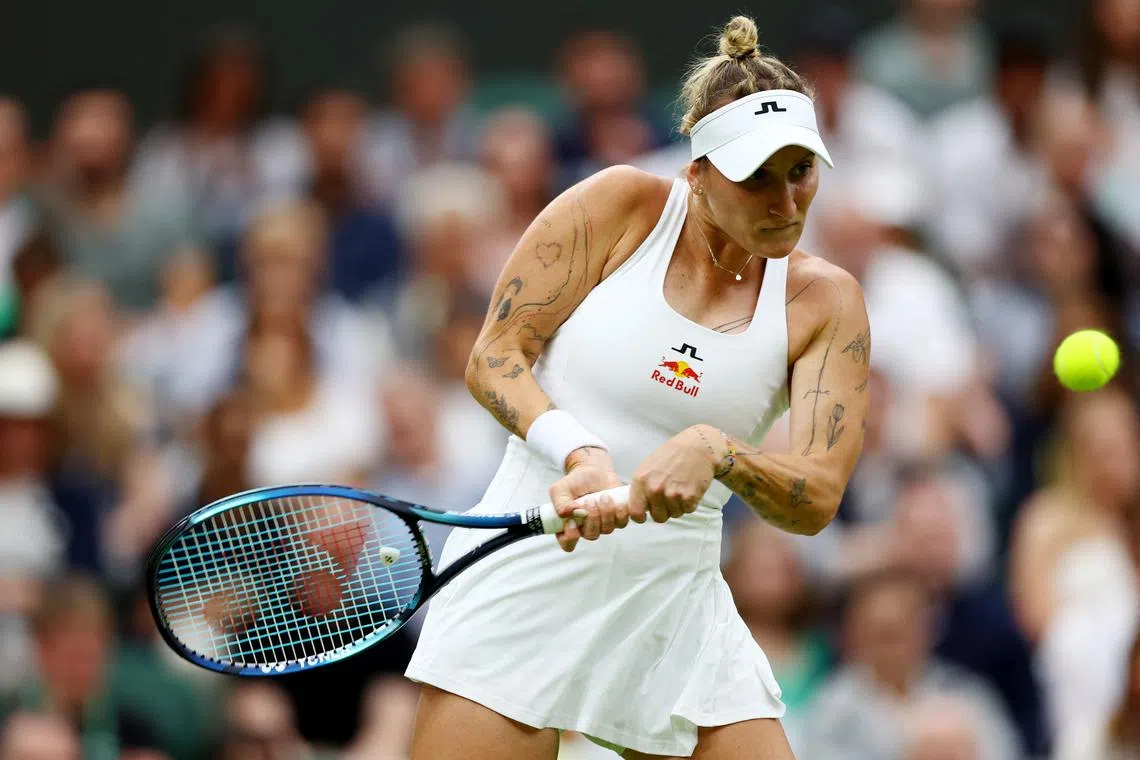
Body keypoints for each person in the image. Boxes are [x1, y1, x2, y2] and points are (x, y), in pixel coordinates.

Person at [405, 16, 870, 760]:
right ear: (699, 172)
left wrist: (720, 453)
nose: (786, 205)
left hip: (674, 604)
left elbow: (815, 496)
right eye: (757, 179)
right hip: (530, 568)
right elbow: (493, 357)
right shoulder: (619, 205)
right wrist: (579, 452)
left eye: (800, 172)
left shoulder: (826, 301)